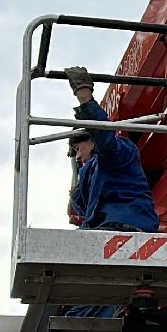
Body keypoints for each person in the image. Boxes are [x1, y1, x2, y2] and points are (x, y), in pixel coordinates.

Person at [64, 66, 159, 233]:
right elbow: (80, 206)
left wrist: (84, 96)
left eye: (78, 149)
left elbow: (105, 137)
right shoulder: (91, 172)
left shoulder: (121, 151)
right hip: (104, 226)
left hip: (126, 224)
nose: (78, 156)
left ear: (92, 140)